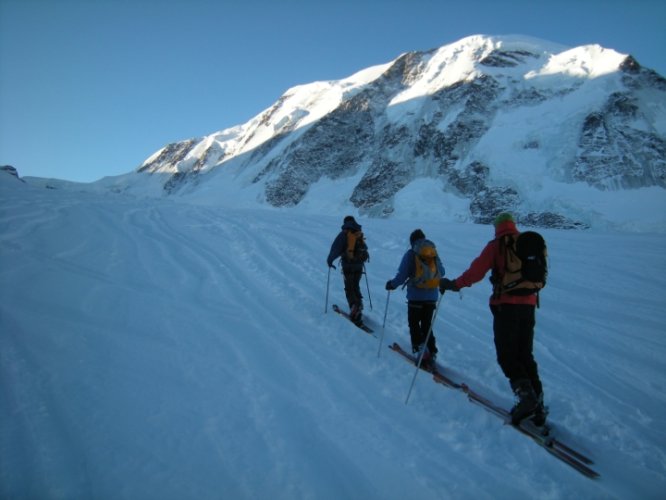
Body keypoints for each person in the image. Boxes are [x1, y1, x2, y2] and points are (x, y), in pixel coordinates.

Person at [439, 213, 547, 426]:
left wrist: (454, 284)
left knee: (506, 354)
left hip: (506, 306)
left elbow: (475, 272)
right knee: (525, 353)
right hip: (529, 305)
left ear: (497, 227)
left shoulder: (497, 245)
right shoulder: (528, 243)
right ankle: (538, 405)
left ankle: (526, 398)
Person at [385, 229, 445, 370]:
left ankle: (420, 351)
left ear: (412, 241)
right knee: (426, 324)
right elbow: (442, 272)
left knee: (414, 323)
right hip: (432, 296)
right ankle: (432, 351)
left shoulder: (411, 254)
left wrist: (392, 285)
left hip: (416, 297)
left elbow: (402, 275)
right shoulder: (433, 253)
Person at [327, 216, 369, 325]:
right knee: (355, 286)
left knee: (349, 288)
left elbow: (335, 248)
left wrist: (330, 260)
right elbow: (365, 248)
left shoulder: (344, 234)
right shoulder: (359, 233)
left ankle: (355, 309)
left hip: (348, 266)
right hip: (359, 266)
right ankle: (359, 306)